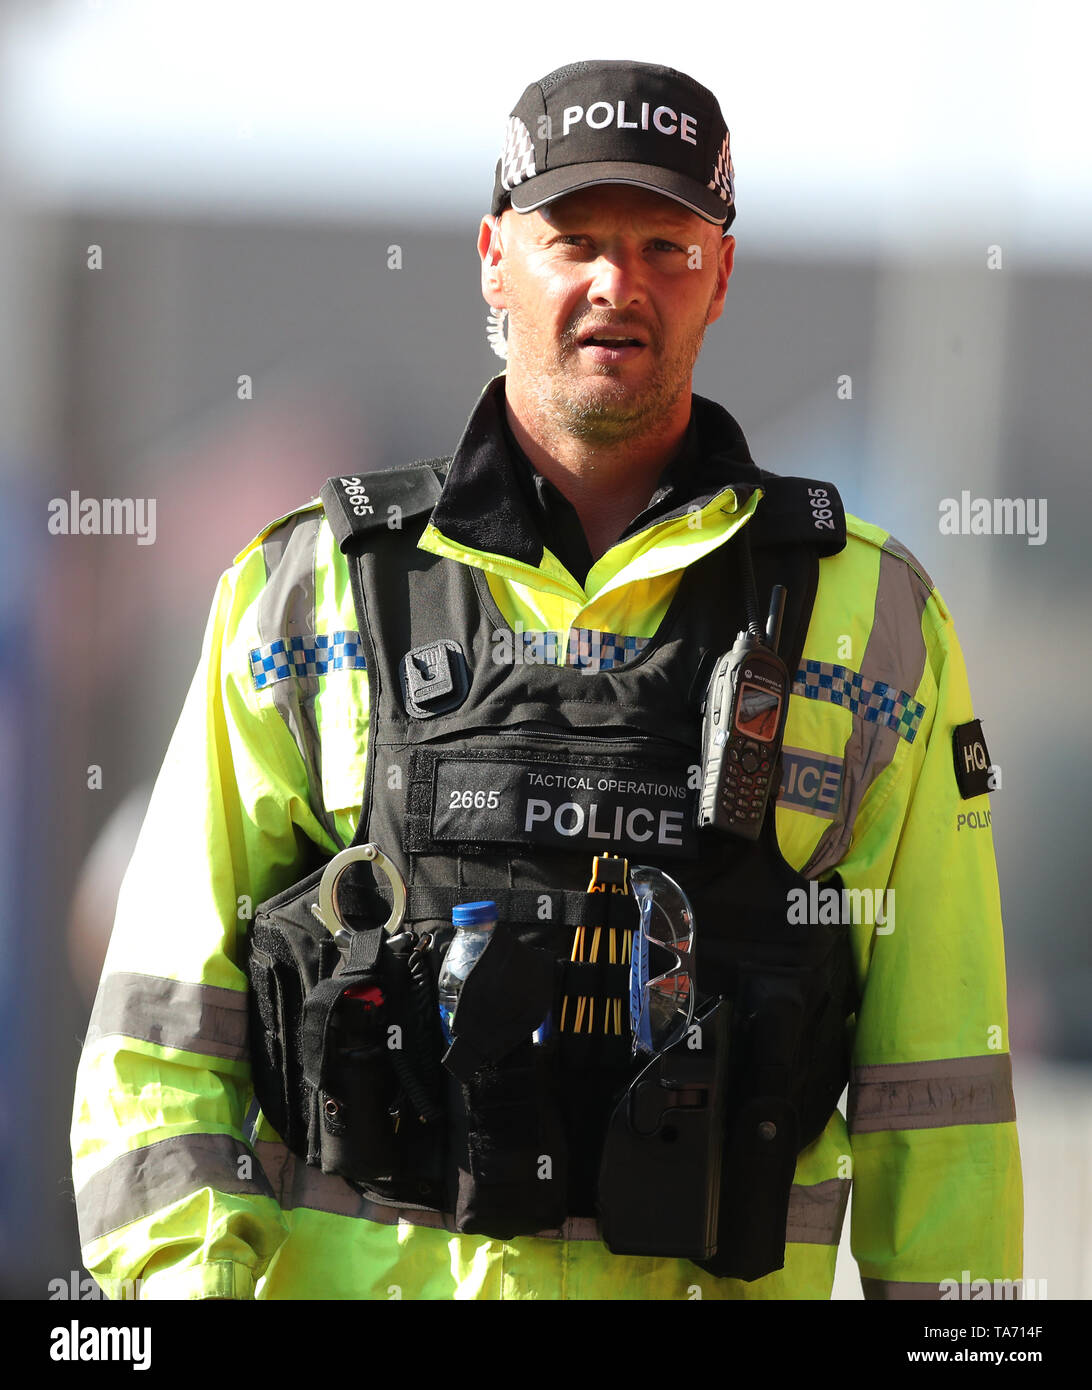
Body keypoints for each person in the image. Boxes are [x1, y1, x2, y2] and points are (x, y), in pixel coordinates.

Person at [70, 59, 1022, 1301]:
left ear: (721, 275)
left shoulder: (876, 621)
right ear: (492, 257)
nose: (615, 285)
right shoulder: (305, 592)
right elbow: (160, 1042)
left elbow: (939, 1092)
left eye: (664, 246)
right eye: (573, 238)